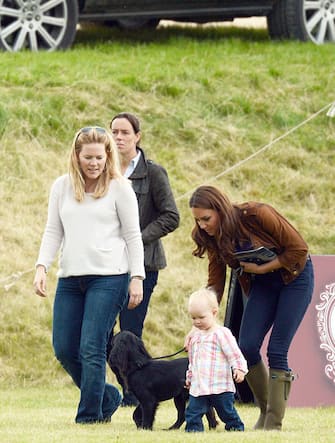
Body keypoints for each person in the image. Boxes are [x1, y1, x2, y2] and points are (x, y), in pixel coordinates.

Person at [33, 126, 145, 424]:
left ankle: (89, 417)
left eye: (99, 157)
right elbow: (53, 230)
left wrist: (137, 277)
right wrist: (42, 266)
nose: (94, 163)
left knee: (91, 347)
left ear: (107, 156)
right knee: (65, 349)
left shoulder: (120, 187)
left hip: (110, 278)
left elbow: (133, 236)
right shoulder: (62, 186)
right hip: (70, 278)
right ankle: (107, 397)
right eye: (88, 158)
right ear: (77, 156)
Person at [188, 185, 314, 431]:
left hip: (295, 278)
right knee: (245, 345)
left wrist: (263, 268)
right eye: (197, 220)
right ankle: (265, 411)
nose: (202, 225)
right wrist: (201, 322)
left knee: (277, 349)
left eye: (206, 218)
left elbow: (299, 249)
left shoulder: (257, 214)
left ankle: (273, 425)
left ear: (220, 209)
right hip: (263, 285)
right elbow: (215, 283)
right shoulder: (210, 236)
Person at [108, 112, 180, 406]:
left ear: (138, 136)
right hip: (106, 264)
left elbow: (171, 216)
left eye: (125, 132)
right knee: (102, 335)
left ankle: (135, 393)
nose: (119, 137)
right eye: (114, 131)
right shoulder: (104, 171)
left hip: (143, 265)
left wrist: (137, 237)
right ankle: (121, 389)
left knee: (129, 332)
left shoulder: (154, 173)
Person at [185, 287, 248, 433]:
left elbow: (234, 354)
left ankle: (235, 427)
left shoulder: (221, 334)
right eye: (193, 318)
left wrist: (239, 369)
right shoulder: (195, 337)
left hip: (220, 386)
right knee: (193, 412)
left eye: (201, 317)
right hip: (199, 386)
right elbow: (193, 361)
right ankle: (193, 431)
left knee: (226, 412)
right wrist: (190, 378)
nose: (197, 322)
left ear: (214, 313)